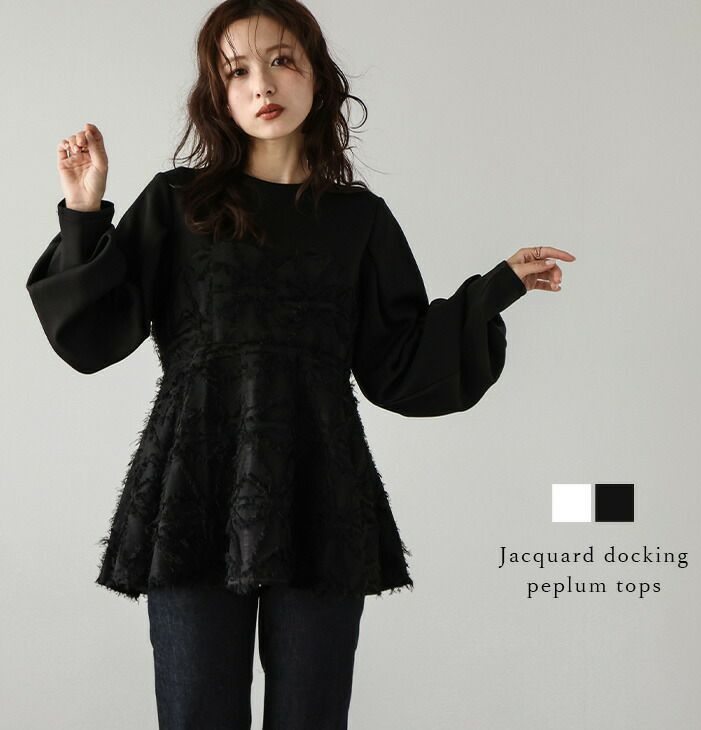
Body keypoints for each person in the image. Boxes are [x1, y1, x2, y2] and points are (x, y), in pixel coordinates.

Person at [25, 1, 575, 728]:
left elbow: (398, 361)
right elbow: (93, 337)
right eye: (238, 70)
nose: (263, 83)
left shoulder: (358, 220)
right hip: (193, 491)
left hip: (320, 493)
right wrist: (83, 209)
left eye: (282, 60)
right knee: (196, 715)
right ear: (218, 94)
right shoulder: (177, 204)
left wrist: (496, 288)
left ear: (317, 76)